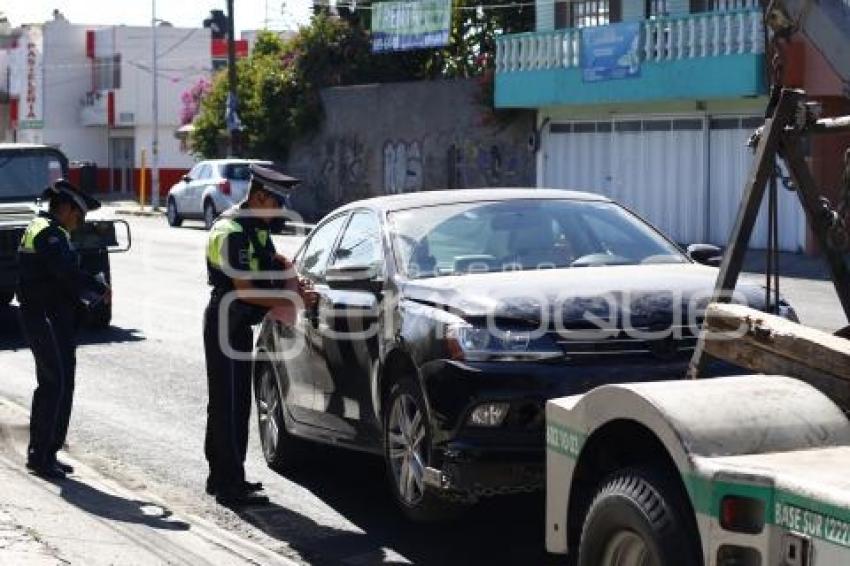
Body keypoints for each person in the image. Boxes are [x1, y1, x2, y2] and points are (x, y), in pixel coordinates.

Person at [203, 163, 314, 506]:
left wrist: (293, 277)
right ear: (261, 196)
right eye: (277, 203)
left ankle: (224, 476)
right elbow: (246, 291)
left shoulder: (255, 227)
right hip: (226, 319)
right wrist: (292, 297)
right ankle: (227, 483)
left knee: (236, 402)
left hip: (237, 323)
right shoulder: (233, 229)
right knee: (226, 404)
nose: (281, 211)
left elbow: (272, 261)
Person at [17, 179, 110, 479]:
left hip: (51, 317)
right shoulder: (49, 234)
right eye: (78, 214)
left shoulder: (49, 230)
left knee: (60, 382)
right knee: (53, 384)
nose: (79, 221)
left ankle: (48, 452)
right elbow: (65, 273)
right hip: (43, 317)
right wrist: (96, 288)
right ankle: (40, 455)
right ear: (66, 208)